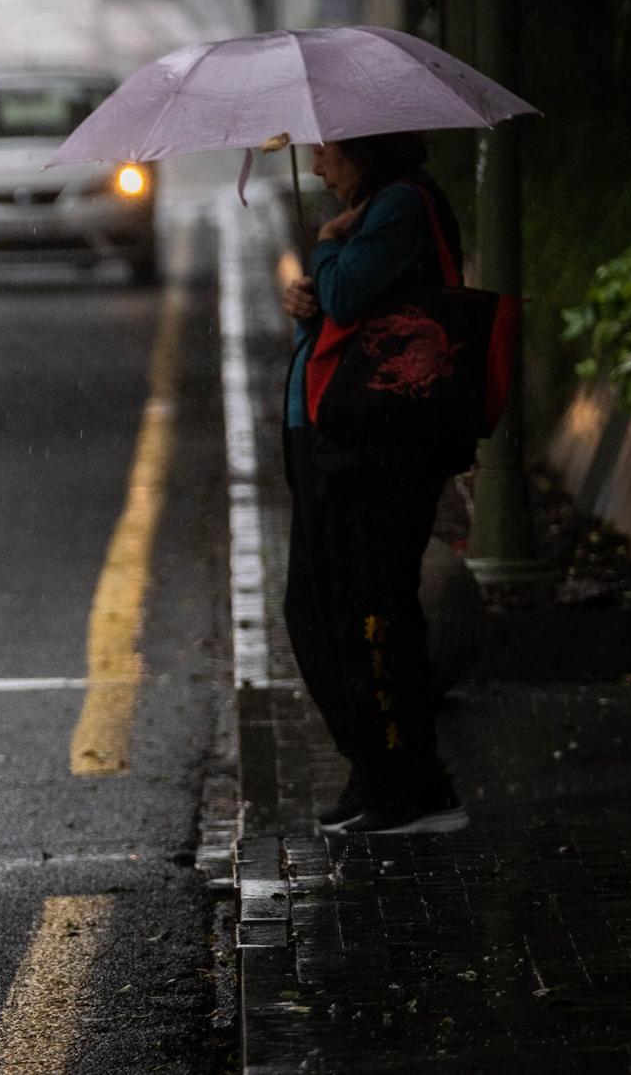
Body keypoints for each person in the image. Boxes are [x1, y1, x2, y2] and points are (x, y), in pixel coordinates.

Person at [279, 131, 471, 837]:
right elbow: (338, 304)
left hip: (380, 445)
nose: (318, 159)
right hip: (339, 440)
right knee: (318, 608)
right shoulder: (376, 211)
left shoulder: (399, 207)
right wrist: (310, 294)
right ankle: (375, 765)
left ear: (364, 148)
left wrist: (326, 251)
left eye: (326, 147)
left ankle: (415, 785)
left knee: (373, 607)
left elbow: (350, 290)